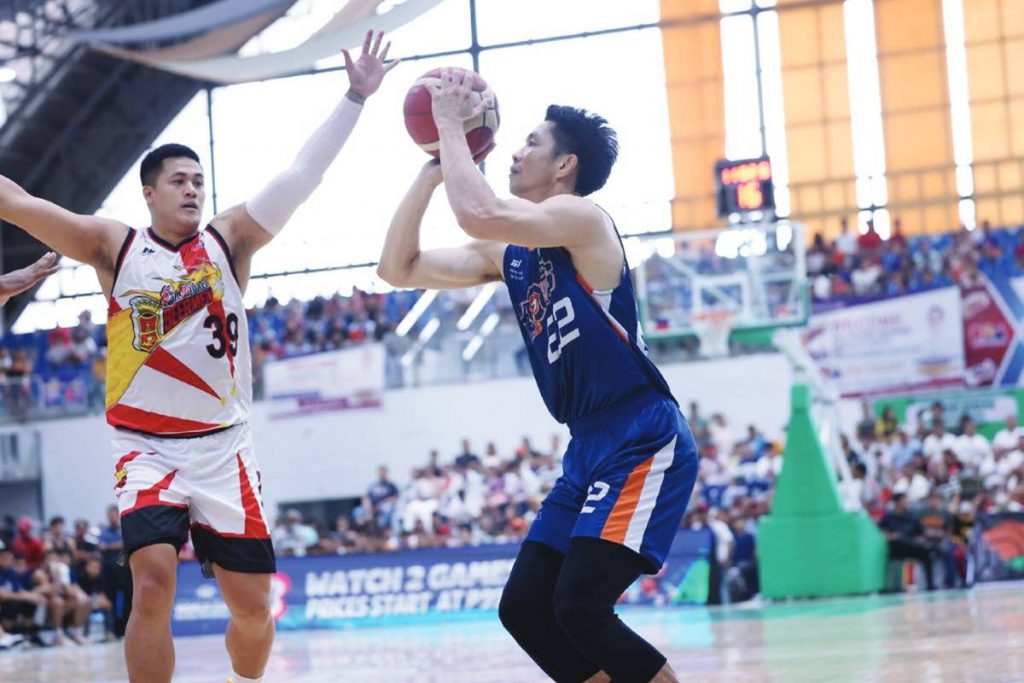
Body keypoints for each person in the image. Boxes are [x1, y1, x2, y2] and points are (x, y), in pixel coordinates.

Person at [0, 31, 396, 683]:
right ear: (149, 193)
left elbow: (301, 176)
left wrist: (354, 96)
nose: (193, 190)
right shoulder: (113, 245)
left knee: (253, 609)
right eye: (179, 181)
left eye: (199, 181)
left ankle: (250, 675)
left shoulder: (230, 239)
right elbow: (18, 204)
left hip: (223, 447)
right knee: (152, 582)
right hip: (145, 445)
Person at [377, 71, 698, 683]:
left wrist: (450, 127)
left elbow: (479, 212)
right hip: (587, 444)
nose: (515, 152)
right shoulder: (511, 255)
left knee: (580, 606)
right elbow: (398, 267)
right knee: (525, 608)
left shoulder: (583, 220)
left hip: (640, 434)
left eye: (530, 143)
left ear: (564, 166)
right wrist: (433, 170)